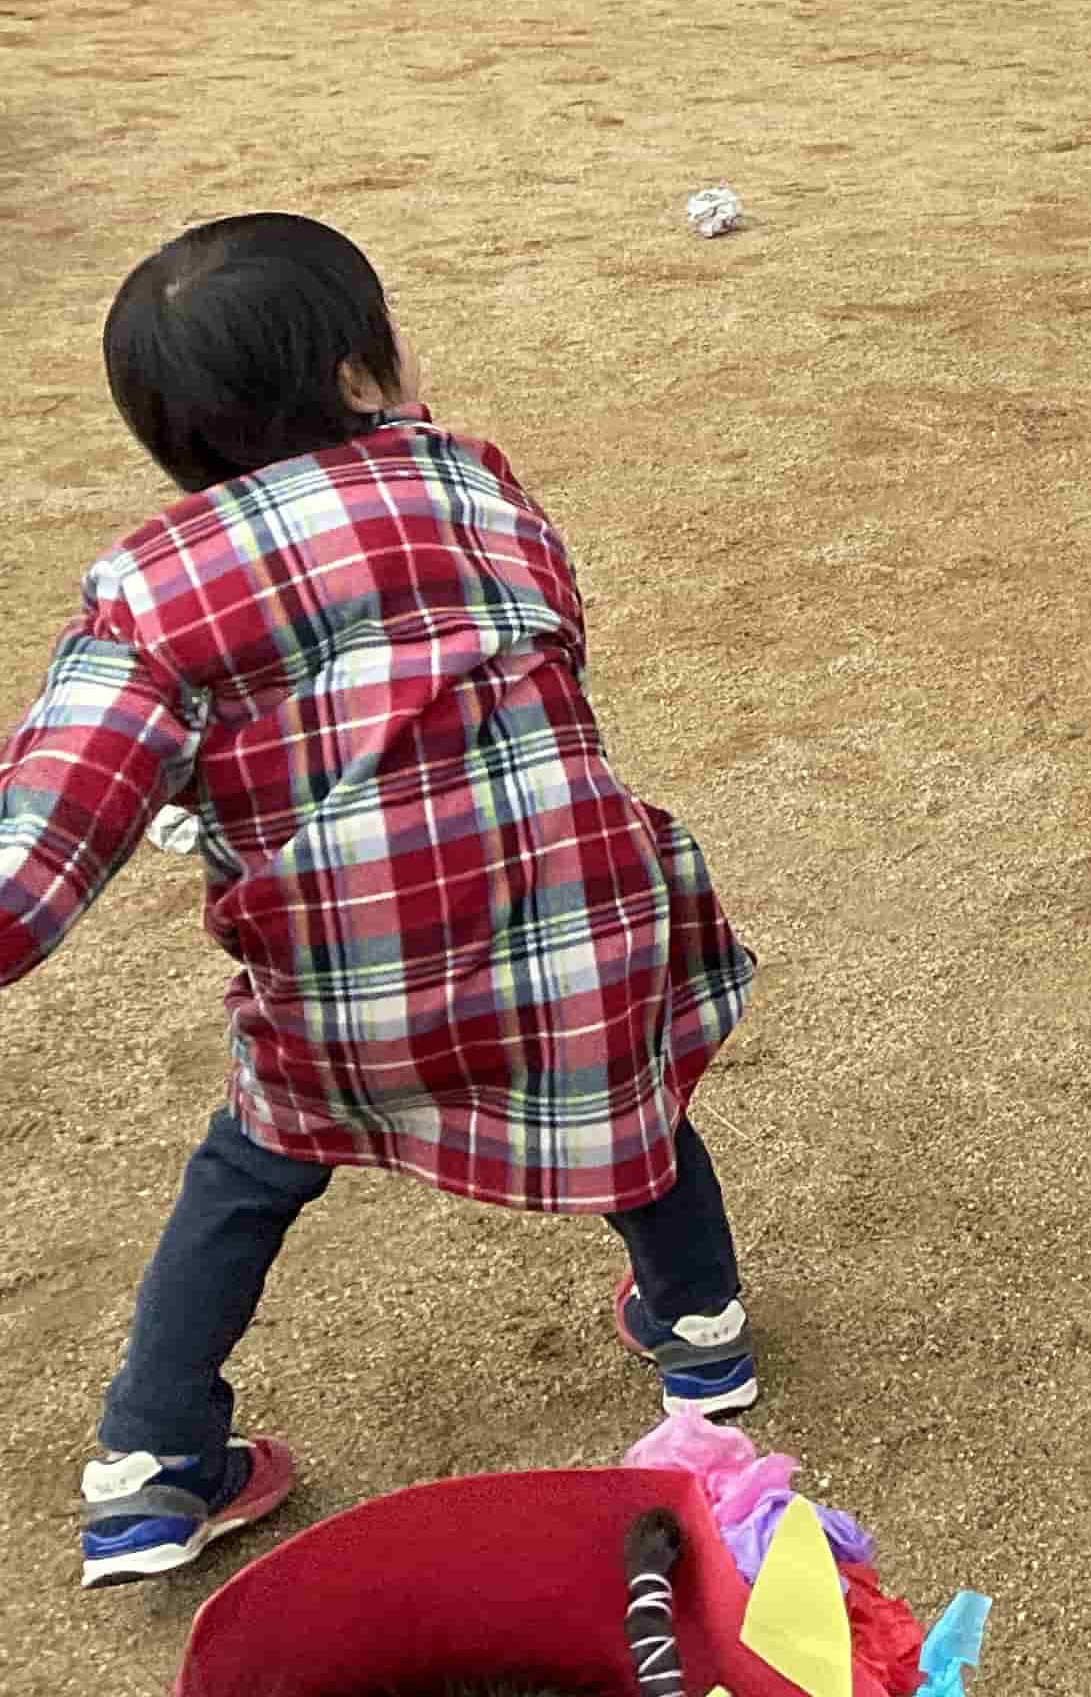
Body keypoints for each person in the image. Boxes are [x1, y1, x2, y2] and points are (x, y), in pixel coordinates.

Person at [1, 216, 757, 1592]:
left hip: (352, 989)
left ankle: (154, 1465)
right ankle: (702, 1335)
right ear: (363, 367)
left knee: (249, 1171)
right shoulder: (472, 482)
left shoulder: (151, 590)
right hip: (582, 923)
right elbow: (553, 644)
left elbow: (33, 862)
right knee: (631, 1087)